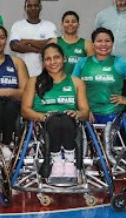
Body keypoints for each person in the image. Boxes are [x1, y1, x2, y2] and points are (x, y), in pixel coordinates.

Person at [21, 43, 89, 183]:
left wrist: (78, 114)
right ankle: (57, 162)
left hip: (69, 123)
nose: (53, 62)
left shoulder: (76, 82)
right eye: (48, 59)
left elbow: (85, 111)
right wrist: (41, 116)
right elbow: (25, 110)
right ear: (43, 62)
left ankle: (70, 163)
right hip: (44, 124)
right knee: (54, 120)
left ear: (64, 58)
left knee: (64, 119)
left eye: (56, 57)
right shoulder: (34, 81)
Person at [73, 27, 126, 124]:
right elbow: (73, 87)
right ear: (93, 44)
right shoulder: (82, 63)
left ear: (112, 44)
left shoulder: (121, 63)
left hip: (112, 115)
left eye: (107, 41)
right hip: (88, 115)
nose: (103, 44)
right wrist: (84, 111)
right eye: (99, 41)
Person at [9, 0, 58, 77]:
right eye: (29, 6)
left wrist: (28, 41)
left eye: (36, 5)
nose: (33, 8)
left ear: (40, 7)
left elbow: (51, 45)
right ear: (25, 8)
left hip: (44, 74)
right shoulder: (17, 25)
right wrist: (38, 49)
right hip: (23, 74)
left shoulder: (49, 26)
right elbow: (14, 46)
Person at [48, 10, 94, 75]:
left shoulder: (87, 44)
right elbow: (47, 66)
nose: (70, 24)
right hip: (57, 83)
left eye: (73, 21)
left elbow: (91, 68)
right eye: (67, 22)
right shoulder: (54, 42)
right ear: (62, 24)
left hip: (79, 83)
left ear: (78, 24)